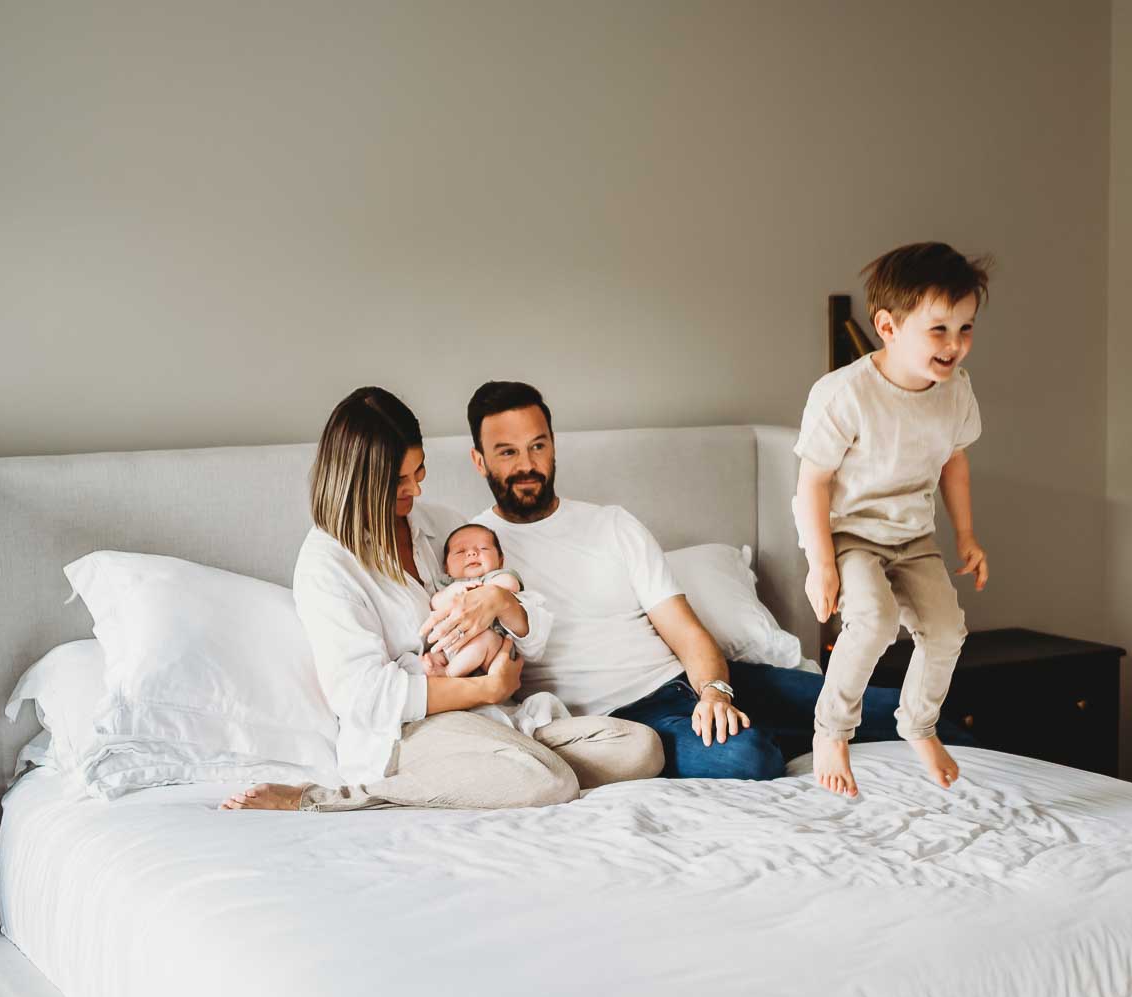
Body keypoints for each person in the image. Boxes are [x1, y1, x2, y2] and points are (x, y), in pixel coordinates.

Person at [223, 387, 661, 812]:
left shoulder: (444, 526)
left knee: (641, 748)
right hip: (411, 731)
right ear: (359, 482)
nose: (416, 490)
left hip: (494, 714)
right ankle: (330, 799)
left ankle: (504, 766)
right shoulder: (326, 564)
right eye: (398, 481)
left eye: (420, 470)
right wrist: (485, 687)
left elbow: (528, 637)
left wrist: (503, 604)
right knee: (550, 781)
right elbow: (364, 698)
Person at [446, 380, 909, 781]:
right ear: (479, 459)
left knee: (895, 705)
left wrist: (715, 691)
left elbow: (685, 630)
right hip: (626, 723)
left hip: (698, 683)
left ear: (552, 445)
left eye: (538, 445)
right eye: (507, 452)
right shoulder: (471, 555)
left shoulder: (611, 524)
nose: (527, 464)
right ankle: (777, 732)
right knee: (748, 757)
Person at [795, 242, 990, 796]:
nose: (955, 345)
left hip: (913, 535)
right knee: (875, 622)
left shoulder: (956, 392)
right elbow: (813, 481)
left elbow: (955, 462)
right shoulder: (844, 395)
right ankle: (831, 730)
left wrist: (968, 536)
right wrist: (821, 564)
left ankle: (918, 725)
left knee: (948, 630)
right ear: (888, 326)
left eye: (966, 328)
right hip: (851, 534)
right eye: (939, 330)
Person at [424, 524, 523, 677]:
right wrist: (451, 592)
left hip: (492, 651)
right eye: (460, 551)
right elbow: (435, 602)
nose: (471, 553)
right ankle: (447, 673)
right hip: (452, 648)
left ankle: (448, 673)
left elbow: (512, 584)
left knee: (486, 639)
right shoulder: (447, 584)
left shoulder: (495, 576)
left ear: (500, 560)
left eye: (483, 548)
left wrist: (482, 589)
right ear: (446, 566)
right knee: (430, 656)